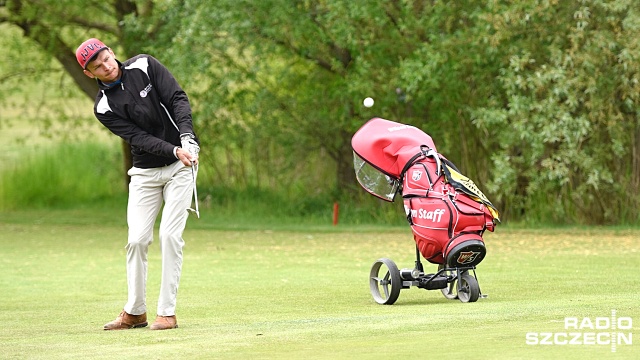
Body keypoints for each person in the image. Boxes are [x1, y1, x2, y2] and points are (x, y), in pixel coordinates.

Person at [76, 38, 200, 330]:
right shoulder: (104, 107)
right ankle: (135, 312)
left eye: (106, 58)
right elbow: (138, 138)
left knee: (169, 236)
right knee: (136, 240)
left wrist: (186, 138)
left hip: (181, 165)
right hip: (145, 172)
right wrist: (171, 149)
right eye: (98, 67)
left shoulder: (144, 64)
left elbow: (177, 99)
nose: (107, 67)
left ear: (111, 51)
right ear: (89, 74)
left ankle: (166, 313)